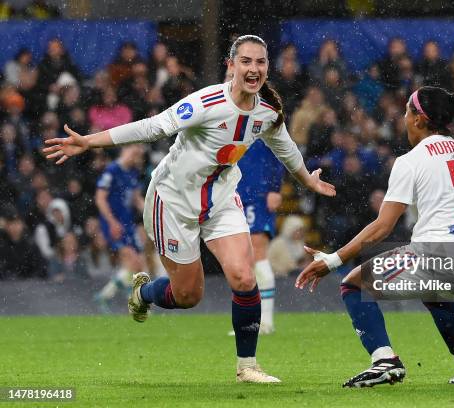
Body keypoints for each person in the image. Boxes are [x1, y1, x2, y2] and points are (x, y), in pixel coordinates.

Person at [43, 34, 335, 383]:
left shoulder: (268, 112)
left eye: (260, 62)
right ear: (231, 65)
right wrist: (89, 142)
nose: (253, 69)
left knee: (244, 276)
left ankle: (248, 366)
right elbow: (153, 127)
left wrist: (308, 180)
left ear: (267, 68)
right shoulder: (207, 101)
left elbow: (285, 149)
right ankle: (144, 292)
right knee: (188, 295)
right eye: (246, 61)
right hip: (173, 202)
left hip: (222, 199)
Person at [296, 86, 454, 388]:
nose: (403, 118)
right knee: (435, 294)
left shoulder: (411, 161)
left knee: (352, 284)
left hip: (436, 252)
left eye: (407, 111)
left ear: (419, 119)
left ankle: (384, 361)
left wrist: (333, 259)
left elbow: (382, 227)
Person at [233, 139, 285, 334]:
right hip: (234, 194)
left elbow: (281, 152)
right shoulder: (230, 117)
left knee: (257, 251)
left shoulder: (264, 117)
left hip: (257, 194)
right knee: (243, 258)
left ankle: (266, 321)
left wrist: (275, 188)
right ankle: (250, 321)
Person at [94, 145, 147, 310]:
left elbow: (137, 199)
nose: (136, 157)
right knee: (132, 260)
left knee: (137, 265)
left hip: (127, 223)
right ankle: (135, 302)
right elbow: (100, 199)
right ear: (125, 150)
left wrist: (152, 214)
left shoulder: (132, 173)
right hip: (113, 223)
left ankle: (105, 296)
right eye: (134, 152)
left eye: (138, 155)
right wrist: (111, 222)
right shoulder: (112, 170)